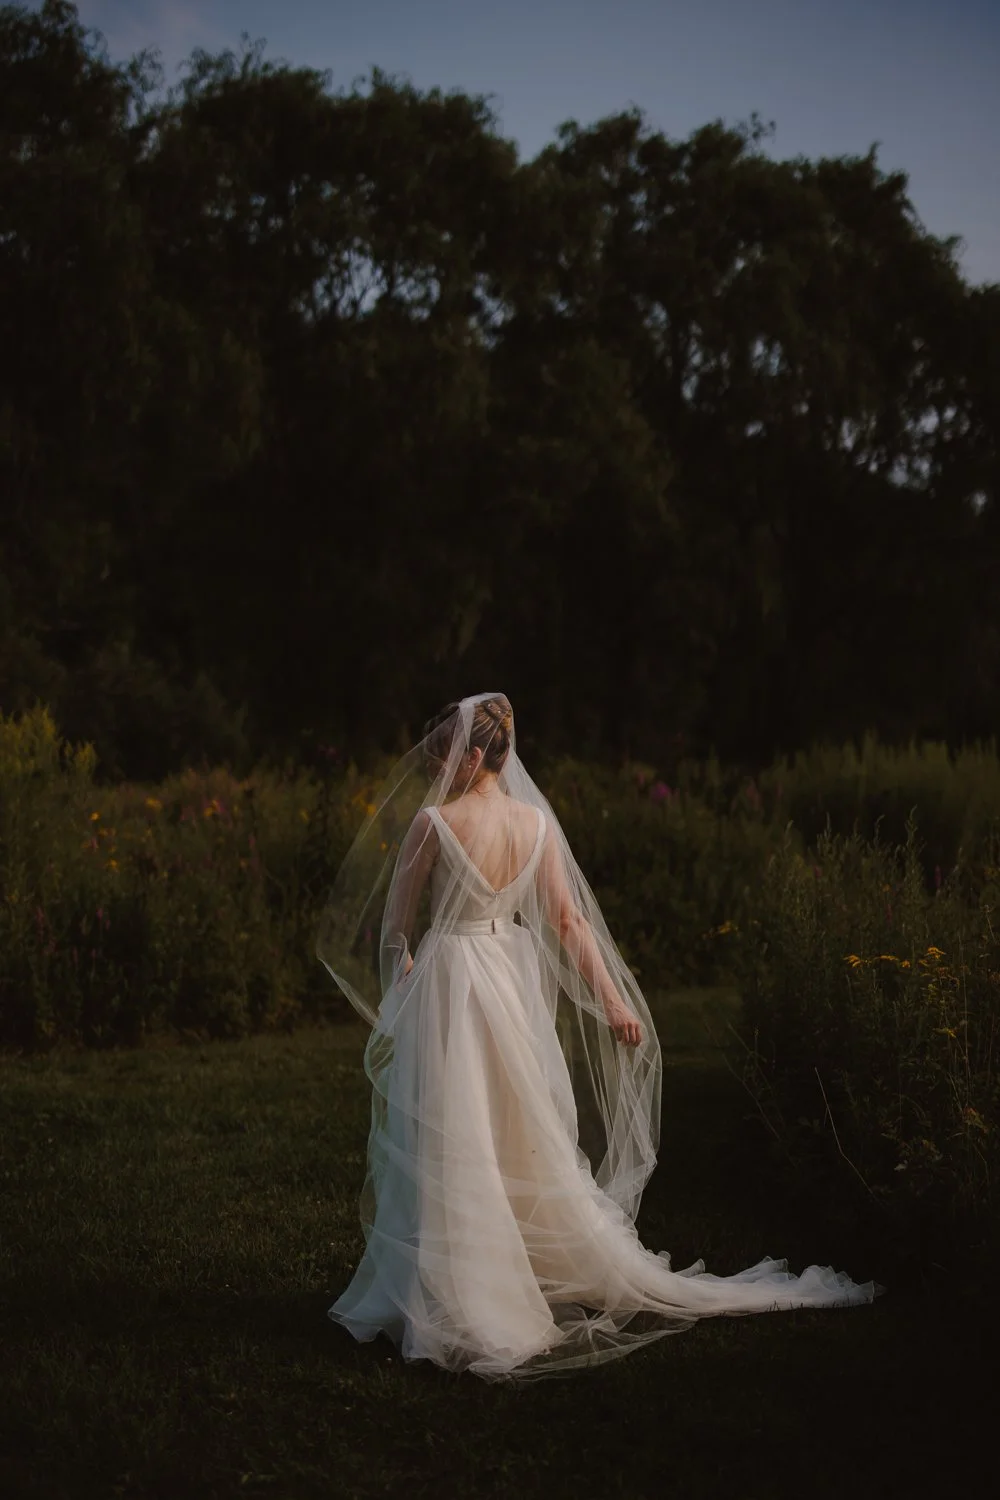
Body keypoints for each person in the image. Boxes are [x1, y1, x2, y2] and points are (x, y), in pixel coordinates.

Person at [316, 693, 883, 1382]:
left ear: (471, 755)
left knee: (456, 1128)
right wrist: (613, 1001)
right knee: (512, 1120)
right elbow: (568, 923)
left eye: (443, 750)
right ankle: (502, 1271)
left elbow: (398, 929)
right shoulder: (535, 823)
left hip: (454, 980)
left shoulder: (433, 823)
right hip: (507, 973)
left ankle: (459, 1289)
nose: (436, 764)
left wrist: (402, 985)